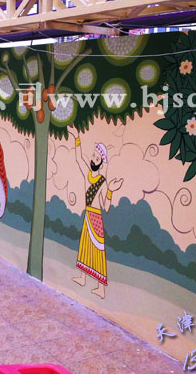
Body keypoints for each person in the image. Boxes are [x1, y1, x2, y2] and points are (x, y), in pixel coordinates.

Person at [68, 125, 123, 299]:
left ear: (101, 162)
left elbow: (106, 207)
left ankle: (101, 287)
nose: (93, 159)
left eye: (97, 158)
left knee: (98, 251)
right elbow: (78, 158)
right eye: (93, 156)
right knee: (84, 247)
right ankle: (83, 277)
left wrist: (111, 190)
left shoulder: (102, 181)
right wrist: (77, 138)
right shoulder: (88, 175)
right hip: (87, 215)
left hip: (96, 217)